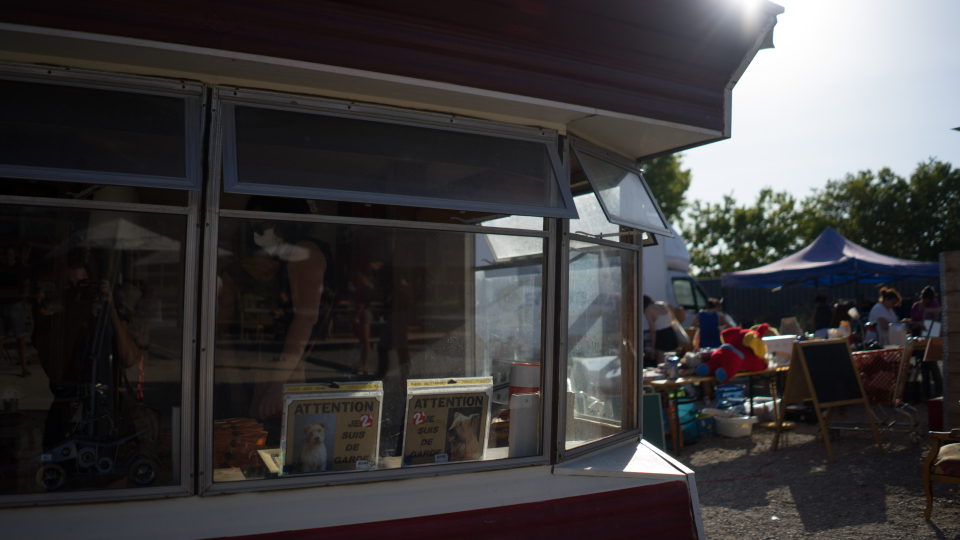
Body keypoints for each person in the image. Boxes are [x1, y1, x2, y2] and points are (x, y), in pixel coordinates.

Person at [218, 196, 329, 422]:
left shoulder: (303, 252)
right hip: (272, 371)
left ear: (281, 222)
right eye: (253, 232)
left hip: (283, 372)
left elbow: (305, 320)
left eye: (261, 228)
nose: (258, 238)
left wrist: (276, 383)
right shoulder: (288, 259)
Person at [0, 246, 30, 377]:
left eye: (11, 255)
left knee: (20, 337)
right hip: (1, 305)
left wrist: (24, 294)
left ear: (14, 255)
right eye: (7, 255)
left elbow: (26, 283)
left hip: (15, 305)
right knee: (0, 339)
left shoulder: (20, 268)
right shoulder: (0, 267)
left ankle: (24, 368)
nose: (9, 257)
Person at [910, 286, 942, 399]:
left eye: (929, 299)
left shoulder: (934, 304)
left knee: (931, 362)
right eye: (925, 299)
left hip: (931, 336)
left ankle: (935, 389)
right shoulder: (916, 306)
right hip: (919, 337)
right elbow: (912, 320)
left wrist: (923, 324)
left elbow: (936, 320)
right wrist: (915, 324)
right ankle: (928, 390)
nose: (927, 301)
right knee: (925, 364)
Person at [643, 295, 677, 365]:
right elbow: (671, 320)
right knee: (673, 361)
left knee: (661, 364)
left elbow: (653, 330)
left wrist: (653, 347)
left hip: (661, 336)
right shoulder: (663, 304)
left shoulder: (648, 310)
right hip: (671, 333)